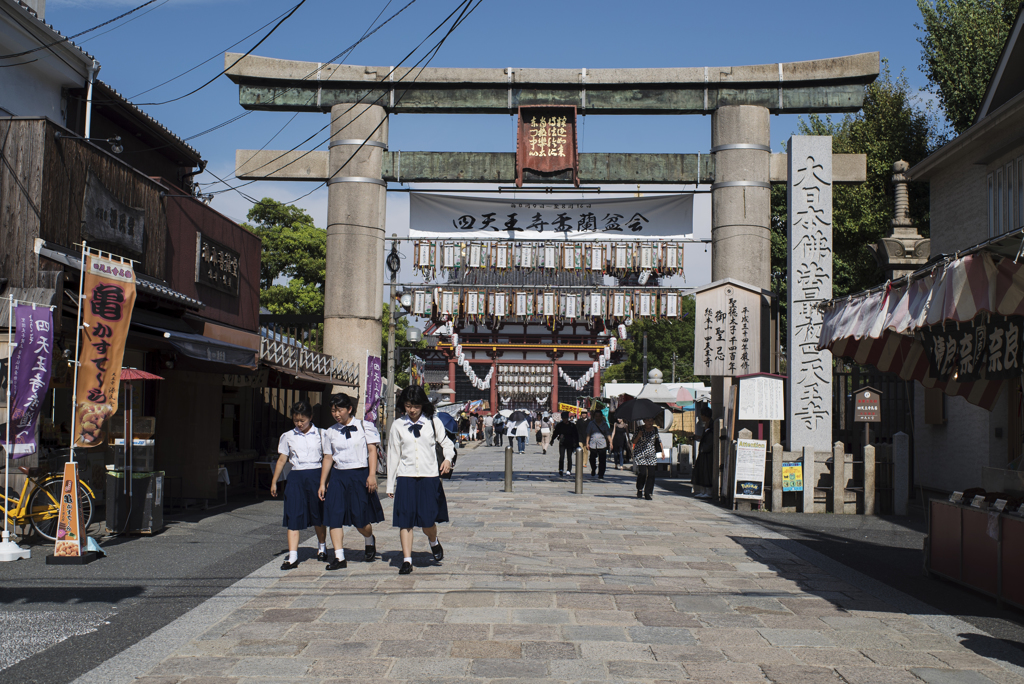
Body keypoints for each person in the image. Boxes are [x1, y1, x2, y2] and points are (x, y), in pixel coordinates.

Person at [387, 385, 454, 575]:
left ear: (423, 405)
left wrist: (447, 459)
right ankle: (407, 560)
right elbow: (393, 454)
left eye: (415, 405)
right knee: (405, 521)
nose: (412, 410)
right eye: (408, 405)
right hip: (406, 477)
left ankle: (433, 541)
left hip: (429, 477)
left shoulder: (433, 422)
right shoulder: (398, 425)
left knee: (427, 522)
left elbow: (446, 443)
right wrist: (390, 484)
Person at [318, 394, 385, 569]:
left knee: (360, 520)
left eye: (339, 410)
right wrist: (323, 482)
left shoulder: (365, 426)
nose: (336, 414)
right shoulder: (330, 432)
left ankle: (369, 539)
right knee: (334, 516)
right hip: (338, 476)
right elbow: (327, 457)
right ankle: (339, 557)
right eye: (333, 410)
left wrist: (372, 475)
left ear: (349, 409)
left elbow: (372, 451)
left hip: (359, 474)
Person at [271, 400, 328, 570]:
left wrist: (324, 482)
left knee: (317, 513)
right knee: (293, 514)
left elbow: (327, 457)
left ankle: (322, 547)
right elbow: (282, 459)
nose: (299, 424)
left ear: (310, 417)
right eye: (296, 420)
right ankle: (293, 556)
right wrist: (274, 481)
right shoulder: (287, 436)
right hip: (296, 476)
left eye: (302, 420)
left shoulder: (321, 434)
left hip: (316, 474)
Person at [632, 416, 664, 500]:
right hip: (640, 453)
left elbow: (658, 441)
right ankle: (639, 488)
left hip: (651, 453)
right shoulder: (639, 429)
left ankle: (648, 492)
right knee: (642, 473)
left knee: (652, 474)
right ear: (644, 421)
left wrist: (662, 451)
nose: (650, 422)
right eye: (648, 420)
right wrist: (639, 435)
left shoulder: (655, 430)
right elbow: (634, 441)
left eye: (651, 420)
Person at [694, 407, 715, 499]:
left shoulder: (712, 424)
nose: (700, 417)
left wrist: (704, 449)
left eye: (702, 415)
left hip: (707, 452)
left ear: (705, 415)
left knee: (707, 472)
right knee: (701, 471)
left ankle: (708, 491)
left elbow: (710, 438)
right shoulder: (706, 424)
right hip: (703, 451)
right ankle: (702, 491)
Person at [551, 411, 579, 477]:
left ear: (567, 418)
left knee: (569, 457)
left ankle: (569, 470)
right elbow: (555, 433)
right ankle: (561, 469)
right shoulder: (559, 425)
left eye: (565, 418)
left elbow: (576, 435)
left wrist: (576, 443)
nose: (564, 419)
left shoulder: (572, 425)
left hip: (570, 443)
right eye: (563, 418)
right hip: (562, 442)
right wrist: (552, 439)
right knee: (561, 456)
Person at [586, 413, 611, 479]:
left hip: (602, 444)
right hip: (593, 443)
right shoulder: (591, 423)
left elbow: (608, 434)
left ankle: (601, 473)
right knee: (592, 458)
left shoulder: (604, 424)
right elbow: (588, 433)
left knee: (602, 460)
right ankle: (593, 468)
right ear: (594, 417)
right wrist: (587, 443)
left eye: (599, 416)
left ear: (601, 417)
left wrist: (611, 443)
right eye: (596, 416)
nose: (597, 417)